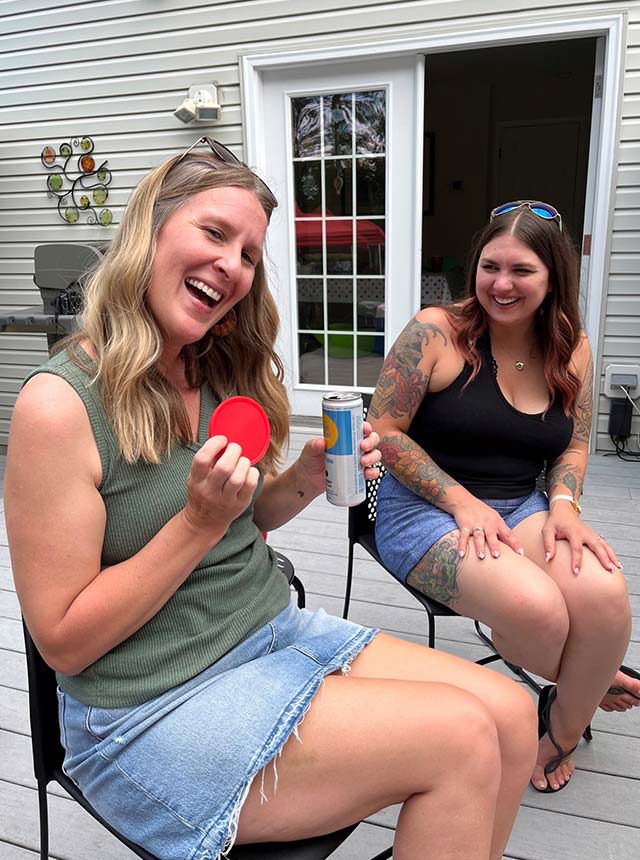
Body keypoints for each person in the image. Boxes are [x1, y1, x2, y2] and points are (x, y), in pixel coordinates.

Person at [5, 139, 538, 860]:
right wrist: (197, 522)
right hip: (150, 706)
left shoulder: (214, 368)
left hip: (268, 635)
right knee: (464, 740)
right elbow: (63, 639)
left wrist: (303, 482)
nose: (233, 265)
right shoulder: (60, 406)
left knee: (509, 710)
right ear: (149, 232)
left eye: (250, 254)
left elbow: (242, 523)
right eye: (215, 233)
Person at [370, 200, 639, 795]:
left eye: (522, 271)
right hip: (424, 510)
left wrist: (564, 507)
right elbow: (382, 431)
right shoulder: (437, 331)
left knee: (605, 593)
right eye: (490, 267)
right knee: (538, 609)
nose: (501, 284)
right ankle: (590, 682)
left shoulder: (572, 347)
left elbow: (574, 446)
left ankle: (559, 732)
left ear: (552, 279)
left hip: (521, 505)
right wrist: (463, 502)